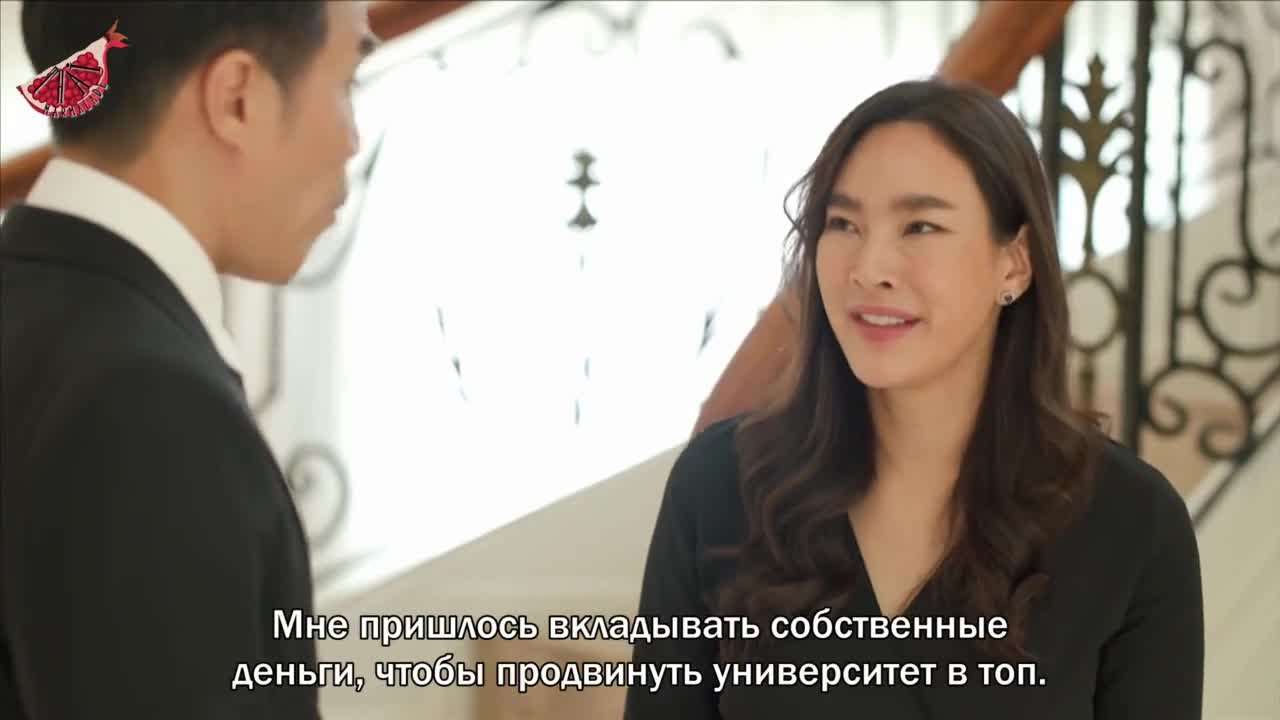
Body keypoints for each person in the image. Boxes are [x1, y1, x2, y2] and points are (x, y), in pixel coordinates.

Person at [624, 79, 1204, 719]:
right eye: (843, 223)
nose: (870, 267)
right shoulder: (719, 487)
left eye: (920, 226)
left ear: (1014, 263)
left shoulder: (1132, 523)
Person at [0, 2, 377, 718]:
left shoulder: (40, 313)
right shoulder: (143, 402)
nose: (352, 140)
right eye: (347, 80)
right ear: (237, 97)